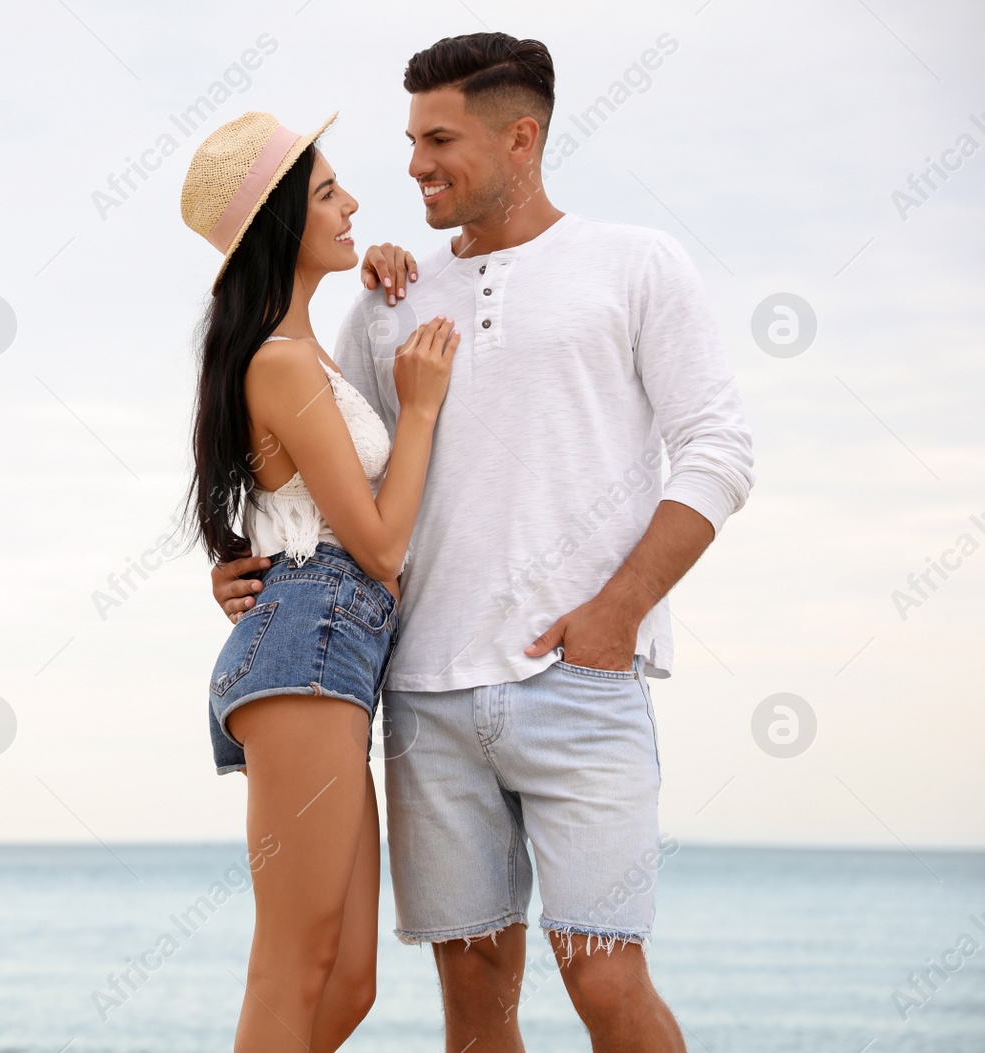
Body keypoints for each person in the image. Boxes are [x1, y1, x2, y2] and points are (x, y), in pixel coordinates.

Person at [209, 33, 755, 1053]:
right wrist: (246, 558)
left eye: (439, 138)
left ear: (520, 136)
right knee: (474, 1002)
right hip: (422, 697)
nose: (412, 164)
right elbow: (341, 479)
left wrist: (617, 612)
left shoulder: (633, 263)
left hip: (580, 682)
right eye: (409, 138)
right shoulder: (385, 303)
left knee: (606, 986)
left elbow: (718, 449)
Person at [177, 110, 456, 1053]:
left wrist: (380, 270)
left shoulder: (310, 351)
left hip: (332, 652)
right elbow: (377, 544)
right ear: (280, 224)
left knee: (348, 982)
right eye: (328, 193)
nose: (353, 201)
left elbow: (297, 509)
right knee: (294, 966)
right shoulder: (283, 361)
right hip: (308, 648)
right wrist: (419, 410)